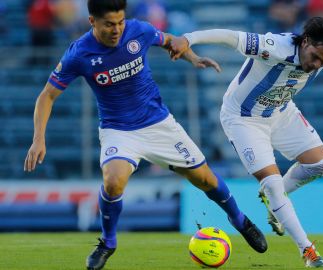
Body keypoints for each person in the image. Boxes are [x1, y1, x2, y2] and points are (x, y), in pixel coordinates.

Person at [23, 1, 267, 270]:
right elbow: (47, 95)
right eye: (109, 24)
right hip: (119, 131)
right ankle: (108, 242)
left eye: (120, 22)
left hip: (159, 124)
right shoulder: (78, 53)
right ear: (92, 21)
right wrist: (38, 138)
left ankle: (240, 220)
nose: (116, 30)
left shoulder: (138, 30)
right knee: (114, 181)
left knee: (205, 178)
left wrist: (193, 57)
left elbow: (171, 41)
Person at [169, 16, 323, 267]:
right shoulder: (274, 45)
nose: (317, 64)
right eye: (316, 57)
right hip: (243, 119)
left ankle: (275, 200)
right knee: (273, 185)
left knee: (321, 165)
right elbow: (230, 36)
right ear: (306, 40)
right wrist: (189, 39)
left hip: (281, 112)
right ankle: (308, 251)